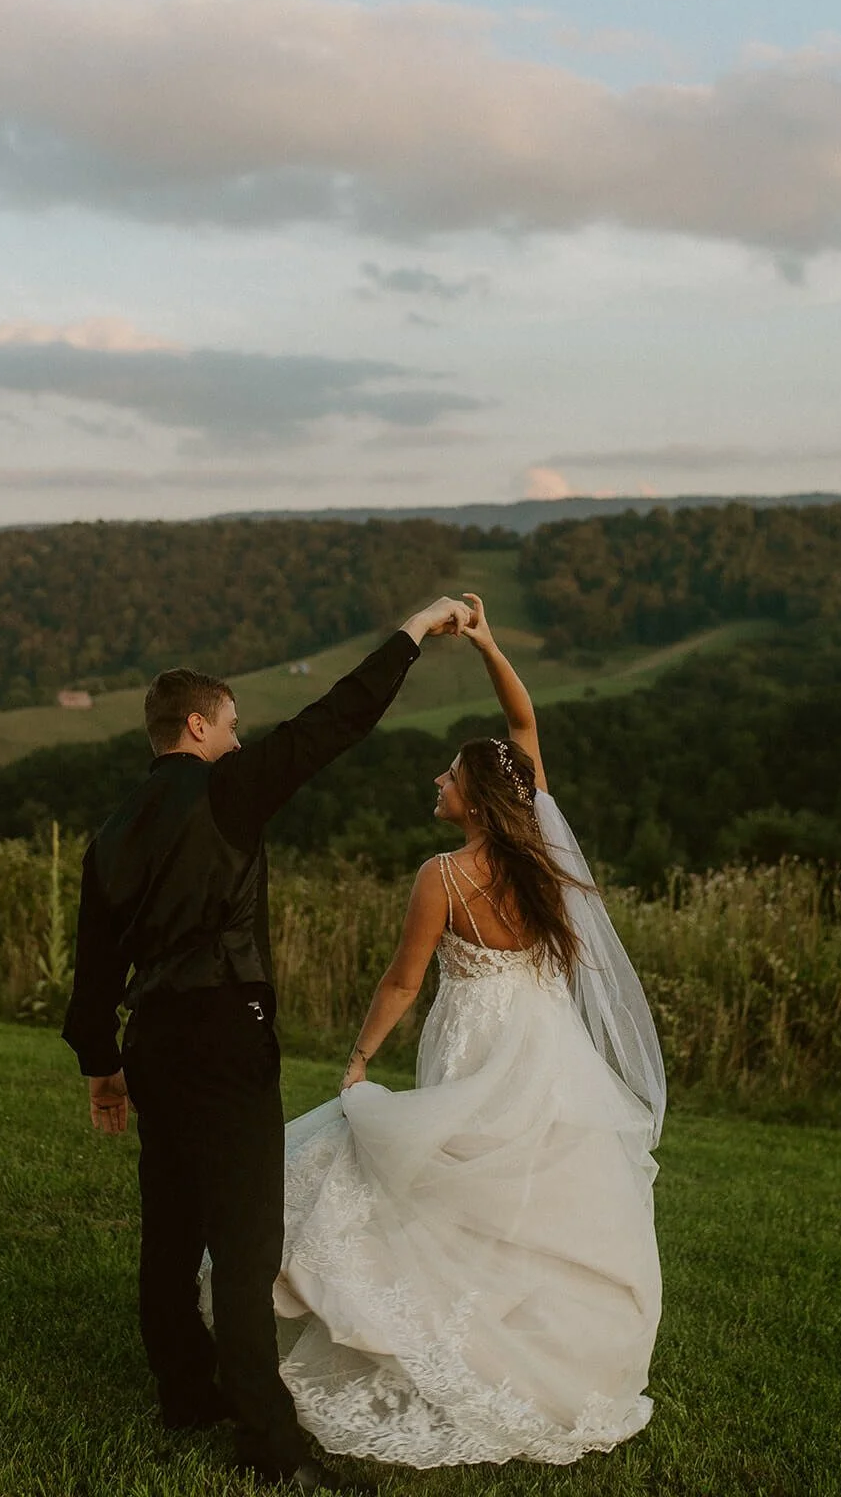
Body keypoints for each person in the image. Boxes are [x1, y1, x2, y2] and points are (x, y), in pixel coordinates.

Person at [243, 591, 666, 1468]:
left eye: (446, 775)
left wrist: (358, 1063)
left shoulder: (443, 876)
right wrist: (486, 642)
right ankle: (526, 1338)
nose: (436, 782)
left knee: (437, 1181)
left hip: (476, 1042)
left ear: (472, 798)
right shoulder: (541, 856)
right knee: (532, 1194)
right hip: (545, 1047)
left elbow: (402, 982)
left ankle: (445, 1334)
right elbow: (524, 716)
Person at [61, 594, 471, 1495]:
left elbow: (92, 975)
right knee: (245, 1247)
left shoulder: (109, 833)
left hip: (154, 1041)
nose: (243, 743)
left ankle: (184, 1394)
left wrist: (102, 1066)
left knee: (169, 1226)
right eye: (233, 727)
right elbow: (338, 720)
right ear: (198, 725)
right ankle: (270, 1445)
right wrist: (415, 628)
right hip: (226, 1037)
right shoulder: (228, 792)